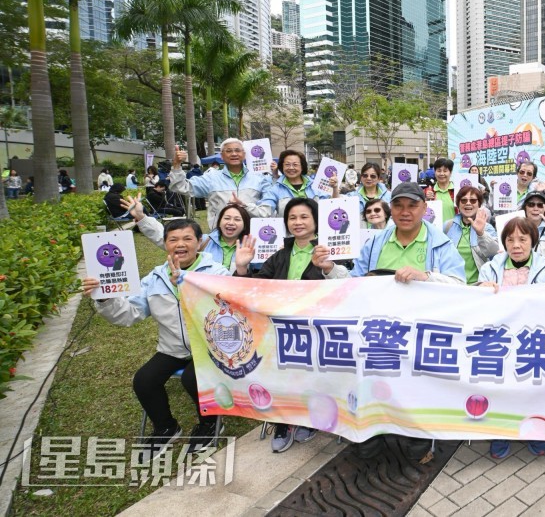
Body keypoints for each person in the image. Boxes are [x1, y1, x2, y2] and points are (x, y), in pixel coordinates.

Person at [82, 219, 233, 459]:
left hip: (209, 348)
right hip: (172, 349)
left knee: (194, 378)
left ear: (200, 243)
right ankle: (166, 427)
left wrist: (187, 286)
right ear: (165, 244)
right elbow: (130, 314)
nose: (180, 244)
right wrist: (103, 298)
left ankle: (210, 423)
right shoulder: (154, 279)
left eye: (187, 239)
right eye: (173, 239)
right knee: (144, 380)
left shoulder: (218, 273)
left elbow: (230, 311)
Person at [349, 182, 466, 460]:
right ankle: (371, 436)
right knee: (375, 387)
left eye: (412, 205)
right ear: (391, 210)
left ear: (424, 208)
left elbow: (459, 284)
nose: (405, 212)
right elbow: (354, 282)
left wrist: (426, 276)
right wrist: (331, 271)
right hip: (378, 333)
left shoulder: (440, 243)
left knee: (416, 390)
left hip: (419, 335)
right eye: (399, 205)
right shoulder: (376, 242)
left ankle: (419, 442)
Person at [234, 198, 347, 452]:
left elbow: (345, 288)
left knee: (314, 375)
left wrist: (328, 267)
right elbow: (255, 289)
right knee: (281, 375)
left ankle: (309, 417)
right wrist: (242, 268)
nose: (298, 222)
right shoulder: (280, 255)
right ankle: (284, 420)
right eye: (292, 217)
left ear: (316, 221)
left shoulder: (329, 251)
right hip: (280, 331)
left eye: (304, 217)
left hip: (318, 330)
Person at [477, 217, 545, 460]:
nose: (516, 245)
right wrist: (480, 289)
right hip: (499, 339)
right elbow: (474, 303)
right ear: (503, 242)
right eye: (510, 239)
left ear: (533, 242)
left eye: (522, 239)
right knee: (499, 387)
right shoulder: (489, 268)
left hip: (534, 340)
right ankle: (500, 432)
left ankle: (535, 430)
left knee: (533, 385)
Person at [170, 138, 272, 230]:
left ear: (244, 155)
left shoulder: (259, 179)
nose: (234, 154)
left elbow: (267, 211)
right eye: (228, 151)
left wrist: (245, 206)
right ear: (222, 156)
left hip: (250, 236)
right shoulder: (211, 178)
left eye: (237, 150)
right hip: (220, 238)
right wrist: (176, 165)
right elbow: (181, 187)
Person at [443, 185, 499, 284]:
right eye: (463, 200)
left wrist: (481, 233)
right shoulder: (448, 226)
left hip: (479, 286)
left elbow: (494, 252)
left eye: (473, 200)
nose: (468, 203)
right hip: (453, 285)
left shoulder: (487, 227)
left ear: (479, 204)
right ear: (458, 204)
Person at [261, 149, 339, 215]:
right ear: (282, 166)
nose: (291, 168)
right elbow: (265, 211)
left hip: (315, 231)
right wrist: (248, 206)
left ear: (302, 167)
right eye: (287, 164)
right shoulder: (275, 189)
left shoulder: (315, 185)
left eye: (295, 164)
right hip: (289, 232)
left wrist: (335, 188)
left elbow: (331, 207)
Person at [432, 157, 457, 222]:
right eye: (439, 171)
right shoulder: (429, 192)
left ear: (450, 172)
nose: (442, 174)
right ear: (435, 172)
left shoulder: (457, 191)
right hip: (435, 230)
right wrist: (426, 199)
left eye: (445, 171)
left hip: (454, 230)